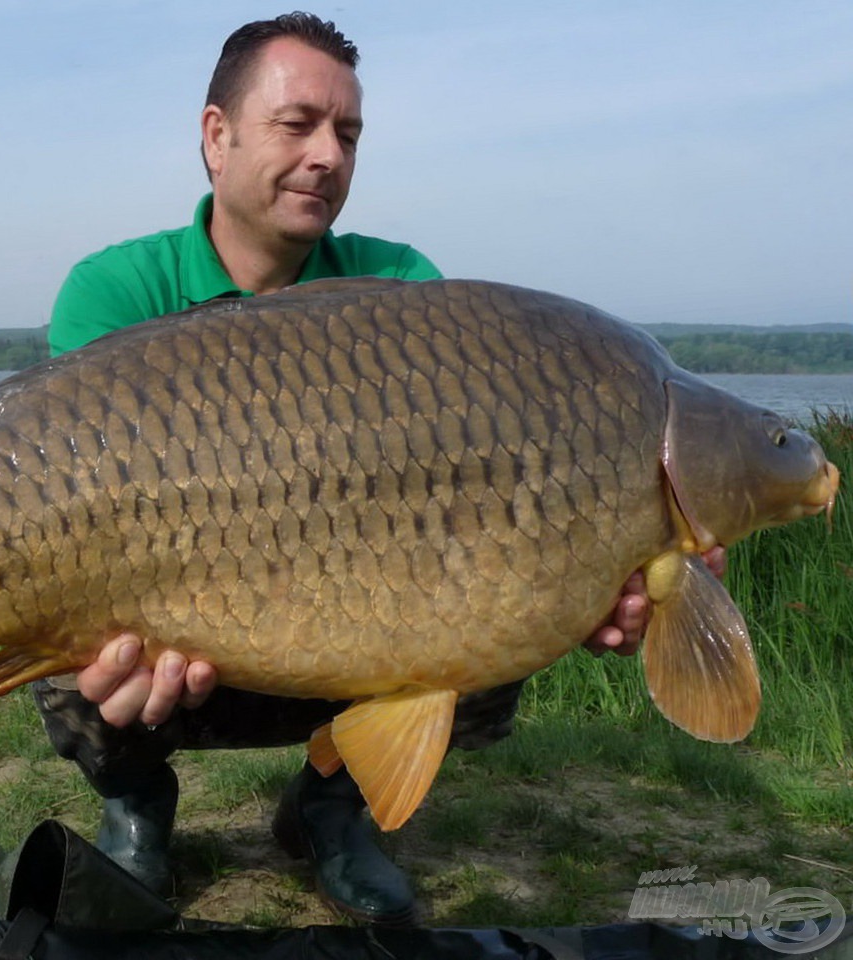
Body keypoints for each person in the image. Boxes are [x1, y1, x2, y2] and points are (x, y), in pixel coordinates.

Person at [36, 12, 720, 926]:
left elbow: (478, 490)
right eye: (298, 123)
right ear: (216, 135)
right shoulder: (114, 294)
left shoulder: (405, 291)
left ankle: (331, 810)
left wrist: (590, 558)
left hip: (350, 627)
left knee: (492, 612)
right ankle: (135, 807)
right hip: (179, 633)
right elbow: (73, 505)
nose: (327, 154)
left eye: (348, 134)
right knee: (63, 638)